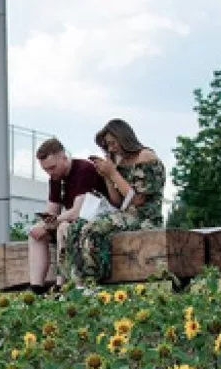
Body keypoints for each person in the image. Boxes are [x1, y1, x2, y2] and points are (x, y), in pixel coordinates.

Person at [63, 119, 166, 283]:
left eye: (112, 143)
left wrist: (112, 174)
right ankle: (77, 281)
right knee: (76, 226)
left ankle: (93, 279)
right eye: (107, 145)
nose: (111, 148)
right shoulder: (119, 162)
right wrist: (107, 178)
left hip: (145, 217)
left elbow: (138, 200)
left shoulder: (146, 157)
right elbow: (117, 202)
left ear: (123, 137)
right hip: (124, 215)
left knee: (93, 228)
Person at [27, 138, 107, 294]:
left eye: (52, 167)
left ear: (64, 157)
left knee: (62, 228)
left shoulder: (84, 170)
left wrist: (50, 223)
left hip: (91, 220)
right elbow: (52, 209)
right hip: (70, 221)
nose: (50, 173)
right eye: (46, 170)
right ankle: (36, 287)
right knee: (35, 234)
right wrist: (43, 224)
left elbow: (78, 211)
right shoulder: (55, 179)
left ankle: (60, 284)